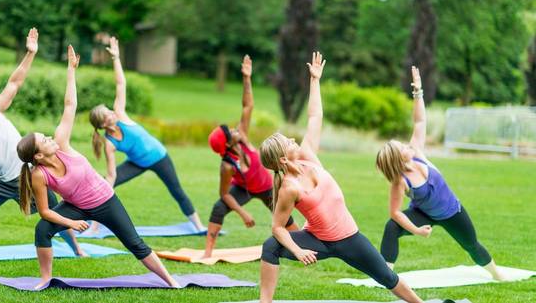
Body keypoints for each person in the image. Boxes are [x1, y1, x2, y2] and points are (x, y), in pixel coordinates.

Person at [258, 52, 424, 303]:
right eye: (287, 141)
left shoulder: (307, 155)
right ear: (282, 159)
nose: (292, 139)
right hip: (319, 242)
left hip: (349, 238)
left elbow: (315, 117)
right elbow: (278, 227)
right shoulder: (288, 188)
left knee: (386, 277)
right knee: (270, 246)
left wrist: (315, 81)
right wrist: (298, 249)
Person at [16, 45, 178, 289]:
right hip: (76, 208)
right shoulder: (39, 174)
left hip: (106, 201)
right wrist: (70, 223)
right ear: (38, 155)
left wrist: (71, 70)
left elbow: (69, 105)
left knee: (135, 244)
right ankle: (45, 279)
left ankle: (171, 281)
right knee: (43, 229)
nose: (51, 138)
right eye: (44, 140)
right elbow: (46, 211)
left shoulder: (61, 144)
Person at [0, 27, 83, 257]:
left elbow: (15, 83)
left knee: (53, 209)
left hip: (27, 174)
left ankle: (78, 250)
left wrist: (30, 52)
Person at [375, 66, 505, 281]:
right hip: (423, 213)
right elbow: (395, 213)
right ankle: (385, 275)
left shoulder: (417, 153)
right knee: (392, 228)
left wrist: (418, 92)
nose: (408, 146)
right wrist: (417, 231)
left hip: (451, 211)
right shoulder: (400, 182)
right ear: (399, 159)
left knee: (471, 245)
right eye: (403, 148)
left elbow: (419, 121)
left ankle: (496, 274)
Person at [88, 36, 204, 233]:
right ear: (103, 124)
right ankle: (93, 226)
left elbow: (120, 84)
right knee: (105, 187)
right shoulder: (109, 143)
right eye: (107, 114)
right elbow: (111, 175)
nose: (112, 112)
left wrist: (116, 58)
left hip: (159, 157)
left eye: (109, 110)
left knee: (177, 191)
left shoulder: (121, 115)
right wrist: (106, 186)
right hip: (137, 163)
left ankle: (199, 226)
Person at [204, 55, 298, 258]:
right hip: (243, 190)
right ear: (228, 143)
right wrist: (242, 213)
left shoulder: (243, 138)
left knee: (284, 217)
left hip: (266, 186)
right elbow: (225, 194)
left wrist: (247, 78)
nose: (234, 129)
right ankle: (207, 253)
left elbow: (247, 107)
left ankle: (300, 245)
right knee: (218, 208)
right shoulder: (227, 165)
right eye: (230, 132)